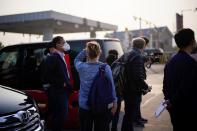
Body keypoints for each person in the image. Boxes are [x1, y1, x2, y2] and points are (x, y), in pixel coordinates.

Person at [74, 41, 117, 131]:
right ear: (99, 52)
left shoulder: (81, 66)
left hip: (84, 105)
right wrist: (114, 103)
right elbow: (111, 87)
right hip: (102, 104)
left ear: (87, 53)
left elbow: (76, 59)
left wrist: (84, 51)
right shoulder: (105, 67)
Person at [163, 28, 197, 131]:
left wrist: (169, 102)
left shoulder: (170, 62)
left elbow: (165, 86)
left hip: (174, 110)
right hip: (189, 110)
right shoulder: (191, 64)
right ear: (192, 41)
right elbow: (186, 89)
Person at [41, 36, 72, 131]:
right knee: (62, 114)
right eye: (63, 42)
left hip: (63, 90)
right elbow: (47, 75)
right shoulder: (53, 57)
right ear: (57, 45)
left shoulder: (60, 56)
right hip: (58, 90)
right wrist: (61, 83)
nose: (65, 44)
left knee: (58, 113)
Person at [121, 37, 150, 131]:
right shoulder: (137, 56)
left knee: (128, 115)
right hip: (133, 90)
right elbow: (137, 77)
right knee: (130, 115)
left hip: (126, 87)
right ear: (143, 46)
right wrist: (146, 87)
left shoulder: (128, 53)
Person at [106, 49, 121, 131]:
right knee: (116, 113)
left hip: (107, 95)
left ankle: (106, 127)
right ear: (116, 56)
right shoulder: (119, 67)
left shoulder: (104, 66)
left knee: (107, 113)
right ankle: (114, 128)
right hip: (117, 94)